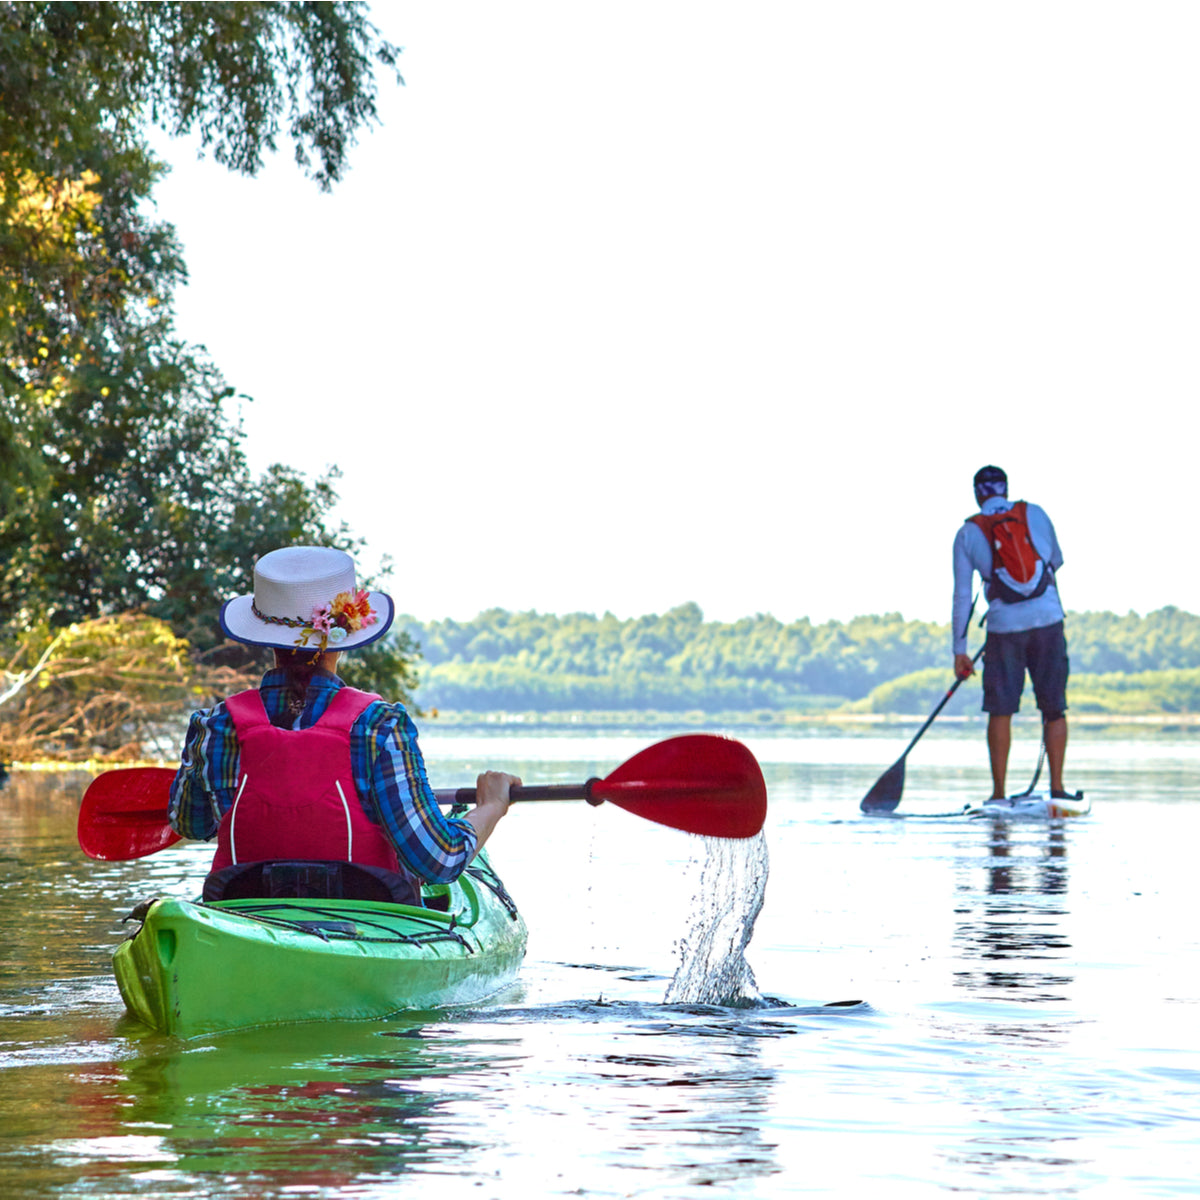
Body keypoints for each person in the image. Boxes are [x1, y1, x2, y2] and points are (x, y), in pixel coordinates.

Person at [168, 545, 520, 903]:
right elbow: (439, 861)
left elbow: (192, 825)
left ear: (264, 638)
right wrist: (491, 806)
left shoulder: (214, 726)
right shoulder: (379, 726)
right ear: (345, 639)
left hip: (243, 916)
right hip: (372, 926)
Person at [952, 466, 1076, 801]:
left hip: (1003, 628)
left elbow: (963, 596)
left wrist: (959, 651)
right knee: (1054, 708)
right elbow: (1056, 563)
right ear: (1005, 489)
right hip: (1048, 621)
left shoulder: (967, 533)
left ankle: (998, 795)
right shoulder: (1034, 513)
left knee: (1000, 709)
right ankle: (1058, 790)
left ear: (978, 494)